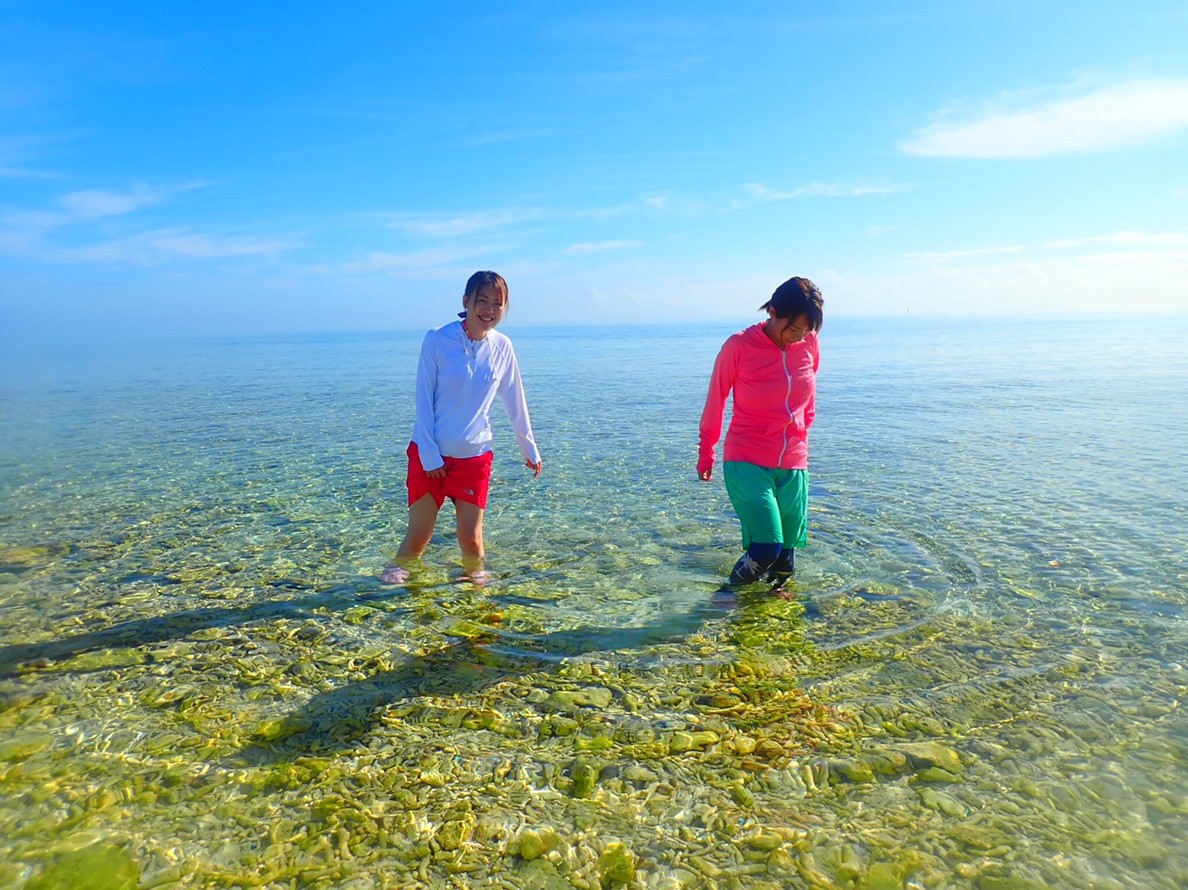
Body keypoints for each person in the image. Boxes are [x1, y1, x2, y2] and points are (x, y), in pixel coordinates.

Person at [383, 271, 542, 586]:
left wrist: (529, 448)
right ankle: (393, 592)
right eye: (482, 301)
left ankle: (473, 598)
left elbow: (515, 400)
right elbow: (423, 399)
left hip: (474, 456)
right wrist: (429, 456)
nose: (489, 310)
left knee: (471, 542)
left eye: (497, 304)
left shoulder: (503, 347)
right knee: (419, 537)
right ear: (466, 301)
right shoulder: (438, 339)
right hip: (431, 456)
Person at [697, 276, 823, 590]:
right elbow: (717, 397)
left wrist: (803, 431)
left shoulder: (808, 342)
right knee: (767, 548)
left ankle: (769, 618)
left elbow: (809, 390)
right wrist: (707, 449)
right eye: (794, 329)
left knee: (785, 562)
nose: (799, 337)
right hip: (747, 457)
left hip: (793, 461)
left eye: (807, 330)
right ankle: (724, 598)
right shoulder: (739, 346)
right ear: (774, 312)